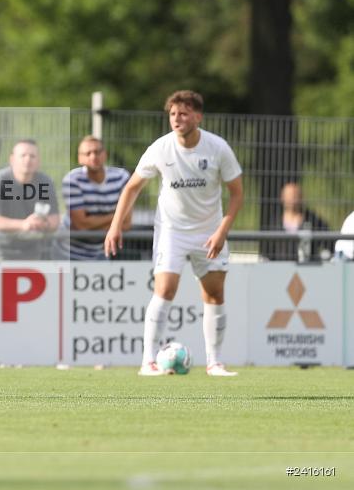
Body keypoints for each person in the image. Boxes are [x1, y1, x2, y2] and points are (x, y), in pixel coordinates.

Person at [104, 90, 243, 377]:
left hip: (209, 231)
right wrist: (116, 225)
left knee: (215, 293)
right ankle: (148, 362)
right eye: (172, 114)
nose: (177, 119)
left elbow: (237, 194)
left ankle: (214, 362)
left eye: (184, 113)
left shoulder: (217, 148)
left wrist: (221, 232)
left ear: (198, 116)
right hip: (172, 231)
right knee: (164, 290)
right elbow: (132, 187)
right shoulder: (161, 148)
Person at [0, 139, 60, 260]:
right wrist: (24, 224)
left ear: (38, 161)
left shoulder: (46, 182)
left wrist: (42, 223)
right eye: (23, 155)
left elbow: (55, 220)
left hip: (32, 250)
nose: (28, 159)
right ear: (12, 159)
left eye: (32, 156)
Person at [61, 135, 131, 260]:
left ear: (105, 154)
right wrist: (117, 217)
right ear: (80, 158)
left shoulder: (122, 177)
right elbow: (81, 224)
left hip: (102, 251)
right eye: (88, 153)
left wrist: (91, 224)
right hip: (69, 253)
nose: (93, 156)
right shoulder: (72, 180)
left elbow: (126, 223)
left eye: (97, 152)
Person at [261, 181, 332, 262]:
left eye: (295, 196)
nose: (292, 199)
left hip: (307, 268)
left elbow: (327, 243)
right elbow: (267, 251)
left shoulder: (313, 220)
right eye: (289, 196)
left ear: (301, 197)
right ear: (282, 198)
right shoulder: (274, 224)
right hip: (280, 268)